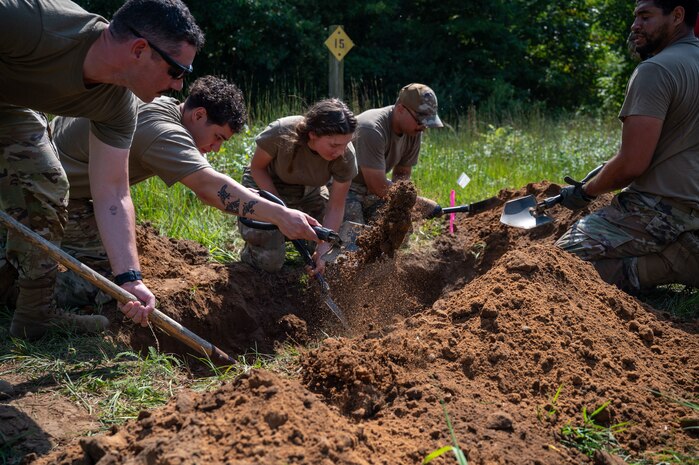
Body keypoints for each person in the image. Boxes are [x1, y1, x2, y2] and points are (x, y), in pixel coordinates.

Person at [0, 0, 206, 340]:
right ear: (140, 49)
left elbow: (113, 191)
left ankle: (33, 319)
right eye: (176, 71)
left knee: (48, 187)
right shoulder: (33, 22)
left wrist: (130, 278)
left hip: (11, 107)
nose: (179, 86)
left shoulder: (119, 106)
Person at [49, 75, 323, 307]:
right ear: (199, 114)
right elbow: (209, 188)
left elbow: (211, 177)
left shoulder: (167, 106)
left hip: (54, 176)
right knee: (112, 283)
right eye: (218, 137)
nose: (217, 148)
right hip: (51, 194)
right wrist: (281, 215)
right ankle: (25, 287)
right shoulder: (161, 130)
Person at [555, 0, 699, 293]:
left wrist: (585, 192)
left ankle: (670, 261)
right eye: (635, 16)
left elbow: (632, 164)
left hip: (659, 208)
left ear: (677, 15)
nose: (635, 25)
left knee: (555, 265)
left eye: (645, 16)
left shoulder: (656, 70)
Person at [238, 98, 358, 275]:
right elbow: (257, 168)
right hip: (265, 186)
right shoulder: (281, 132)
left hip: (309, 192)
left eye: (345, 144)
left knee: (334, 256)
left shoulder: (345, 156)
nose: (340, 152)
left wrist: (324, 247)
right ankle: (253, 250)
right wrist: (280, 212)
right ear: (313, 134)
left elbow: (336, 206)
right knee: (269, 262)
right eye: (334, 145)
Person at [343, 83, 444, 225]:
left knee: (399, 224)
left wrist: (404, 207)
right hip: (344, 186)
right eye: (420, 121)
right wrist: (420, 203)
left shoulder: (413, 131)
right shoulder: (371, 129)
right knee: (354, 233)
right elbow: (377, 185)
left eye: (427, 123)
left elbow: (402, 175)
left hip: (371, 191)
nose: (423, 128)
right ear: (401, 109)